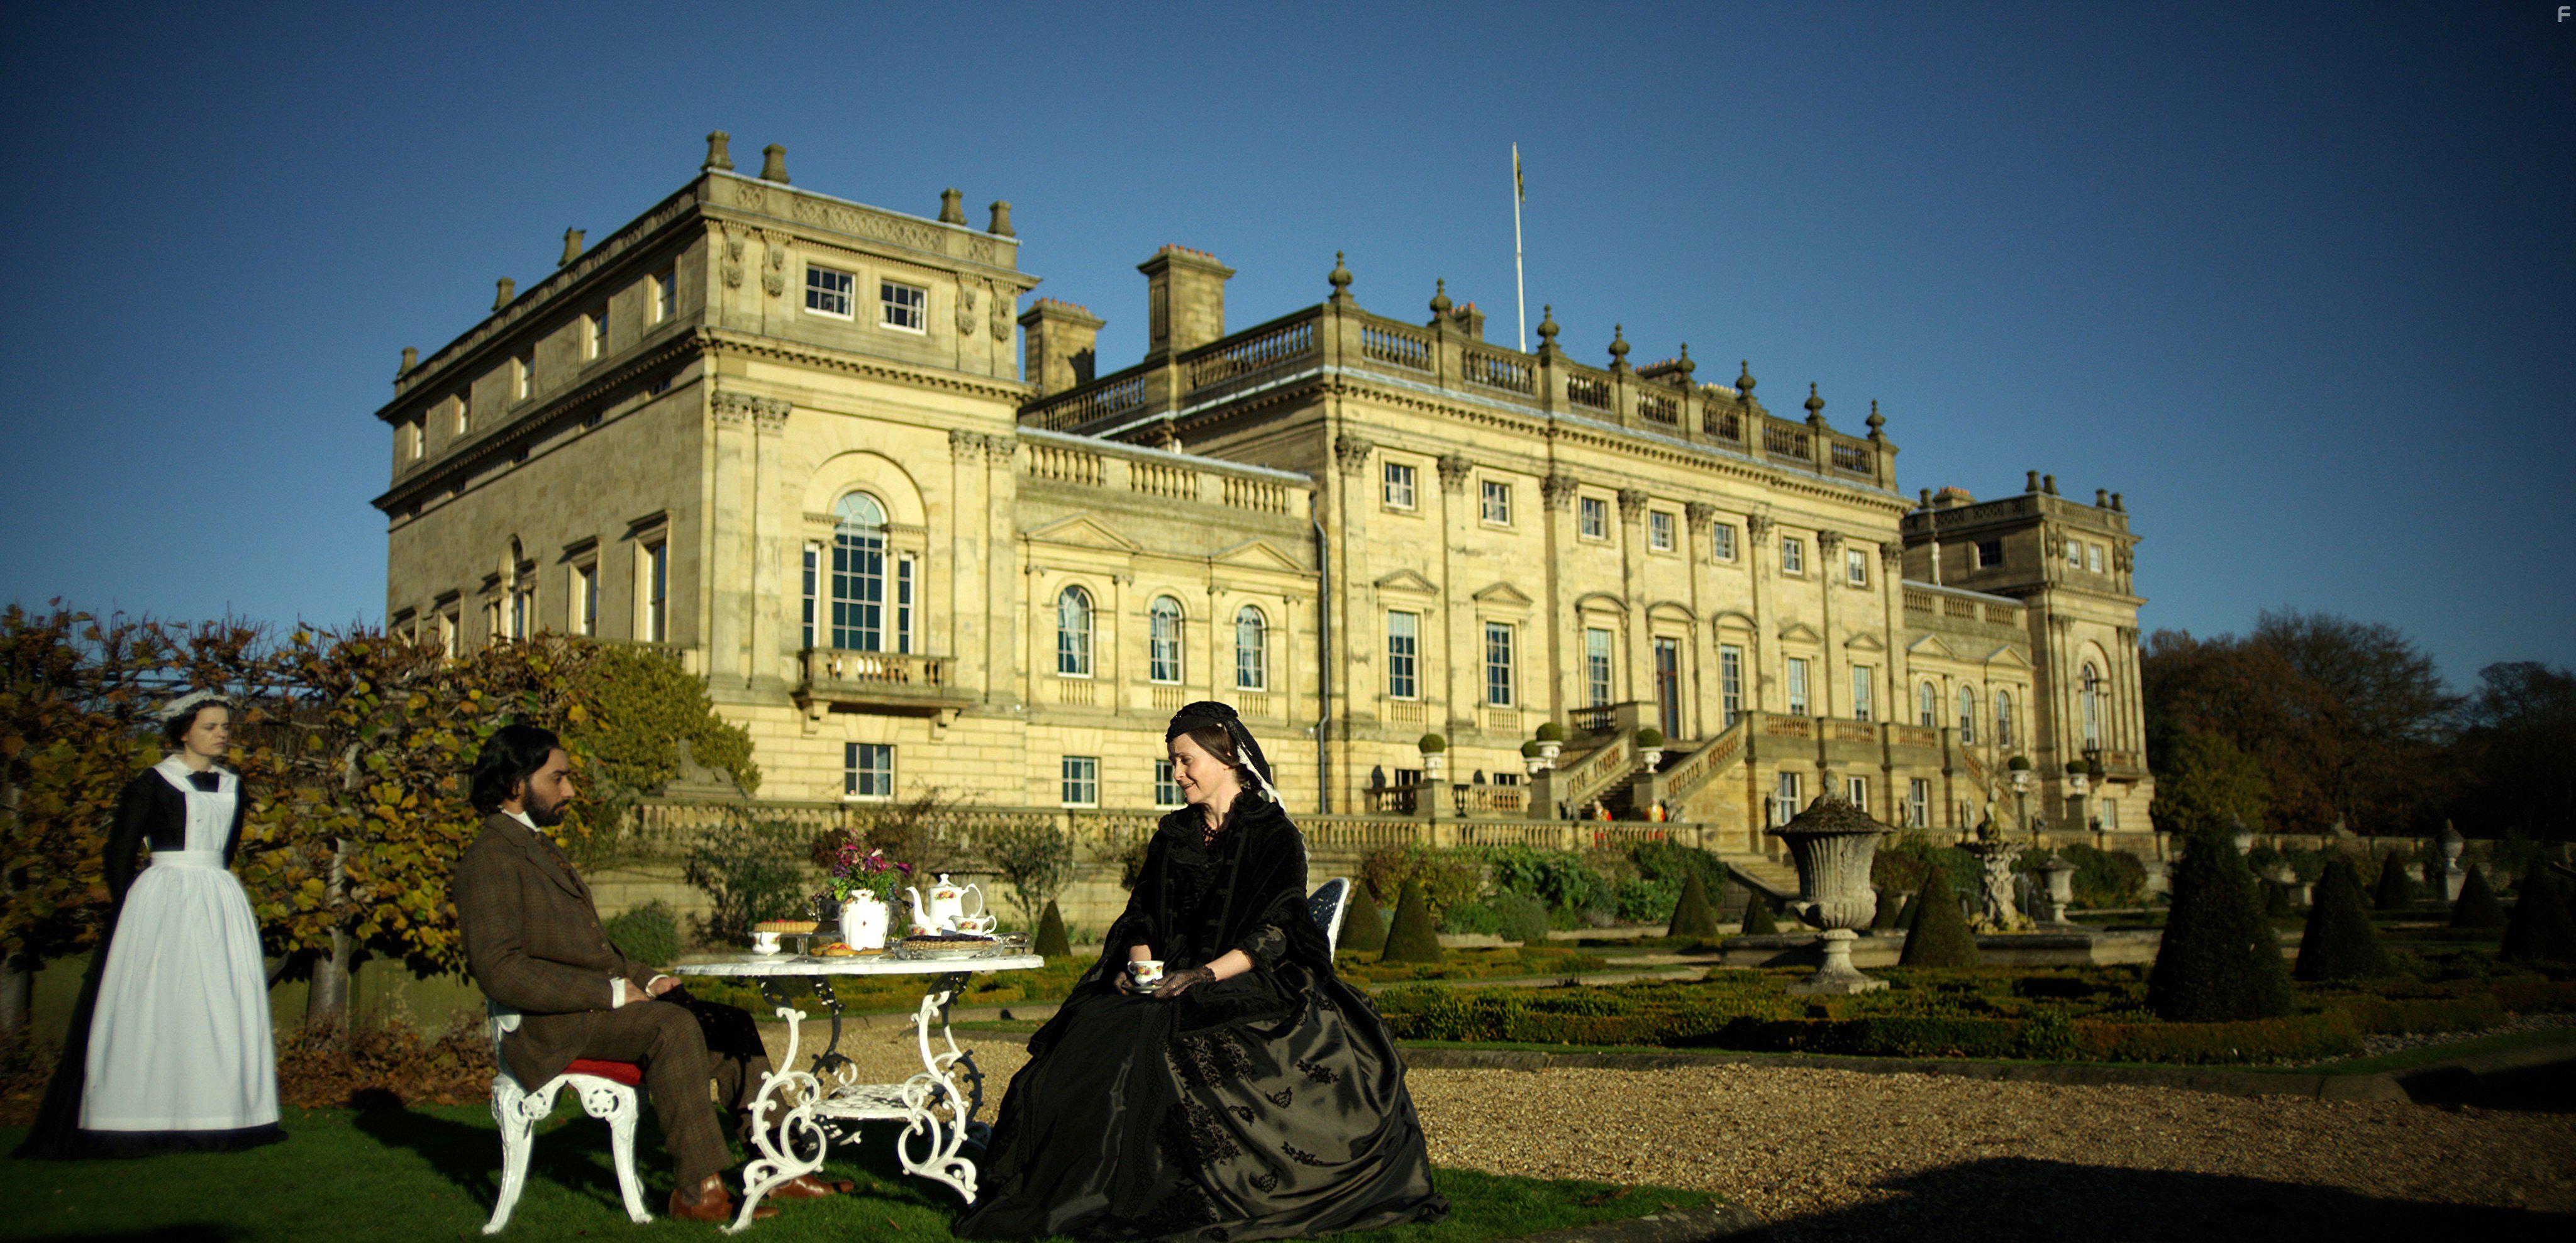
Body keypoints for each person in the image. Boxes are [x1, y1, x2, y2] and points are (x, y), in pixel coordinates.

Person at [954, 701, 1448, 1242]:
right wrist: (1141, 966)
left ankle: (1160, 1189)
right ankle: (1073, 1186)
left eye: (1186, 760)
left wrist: (1206, 975)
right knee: (1089, 1035)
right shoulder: (1173, 834)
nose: (1177, 773)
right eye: (1173, 762)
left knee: (1163, 1042)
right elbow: (1141, 912)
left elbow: (1278, 928)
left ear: (1227, 756)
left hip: (1250, 977)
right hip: (1170, 977)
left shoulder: (1273, 834)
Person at [452, 724, 843, 1223]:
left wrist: (646, 977)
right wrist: (611, 992)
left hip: (588, 1009)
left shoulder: (538, 846)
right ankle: (697, 1191)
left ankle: (783, 1166)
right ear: (515, 783)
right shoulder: (490, 857)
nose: (570, 790)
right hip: (549, 1027)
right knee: (672, 1027)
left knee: (729, 1023)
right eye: (559, 778)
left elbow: (591, 949)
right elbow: (499, 969)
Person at [17, 692, 284, 1159]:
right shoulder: (153, 782)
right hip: (163, 900)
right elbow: (118, 850)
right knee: (156, 1003)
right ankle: (138, 1114)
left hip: (218, 898)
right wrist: (133, 909)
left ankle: (220, 1112)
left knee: (217, 1003)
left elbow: (228, 846)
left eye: (224, 725)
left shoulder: (232, 785)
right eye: (210, 726)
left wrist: (216, 889)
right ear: (184, 731)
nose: (221, 733)